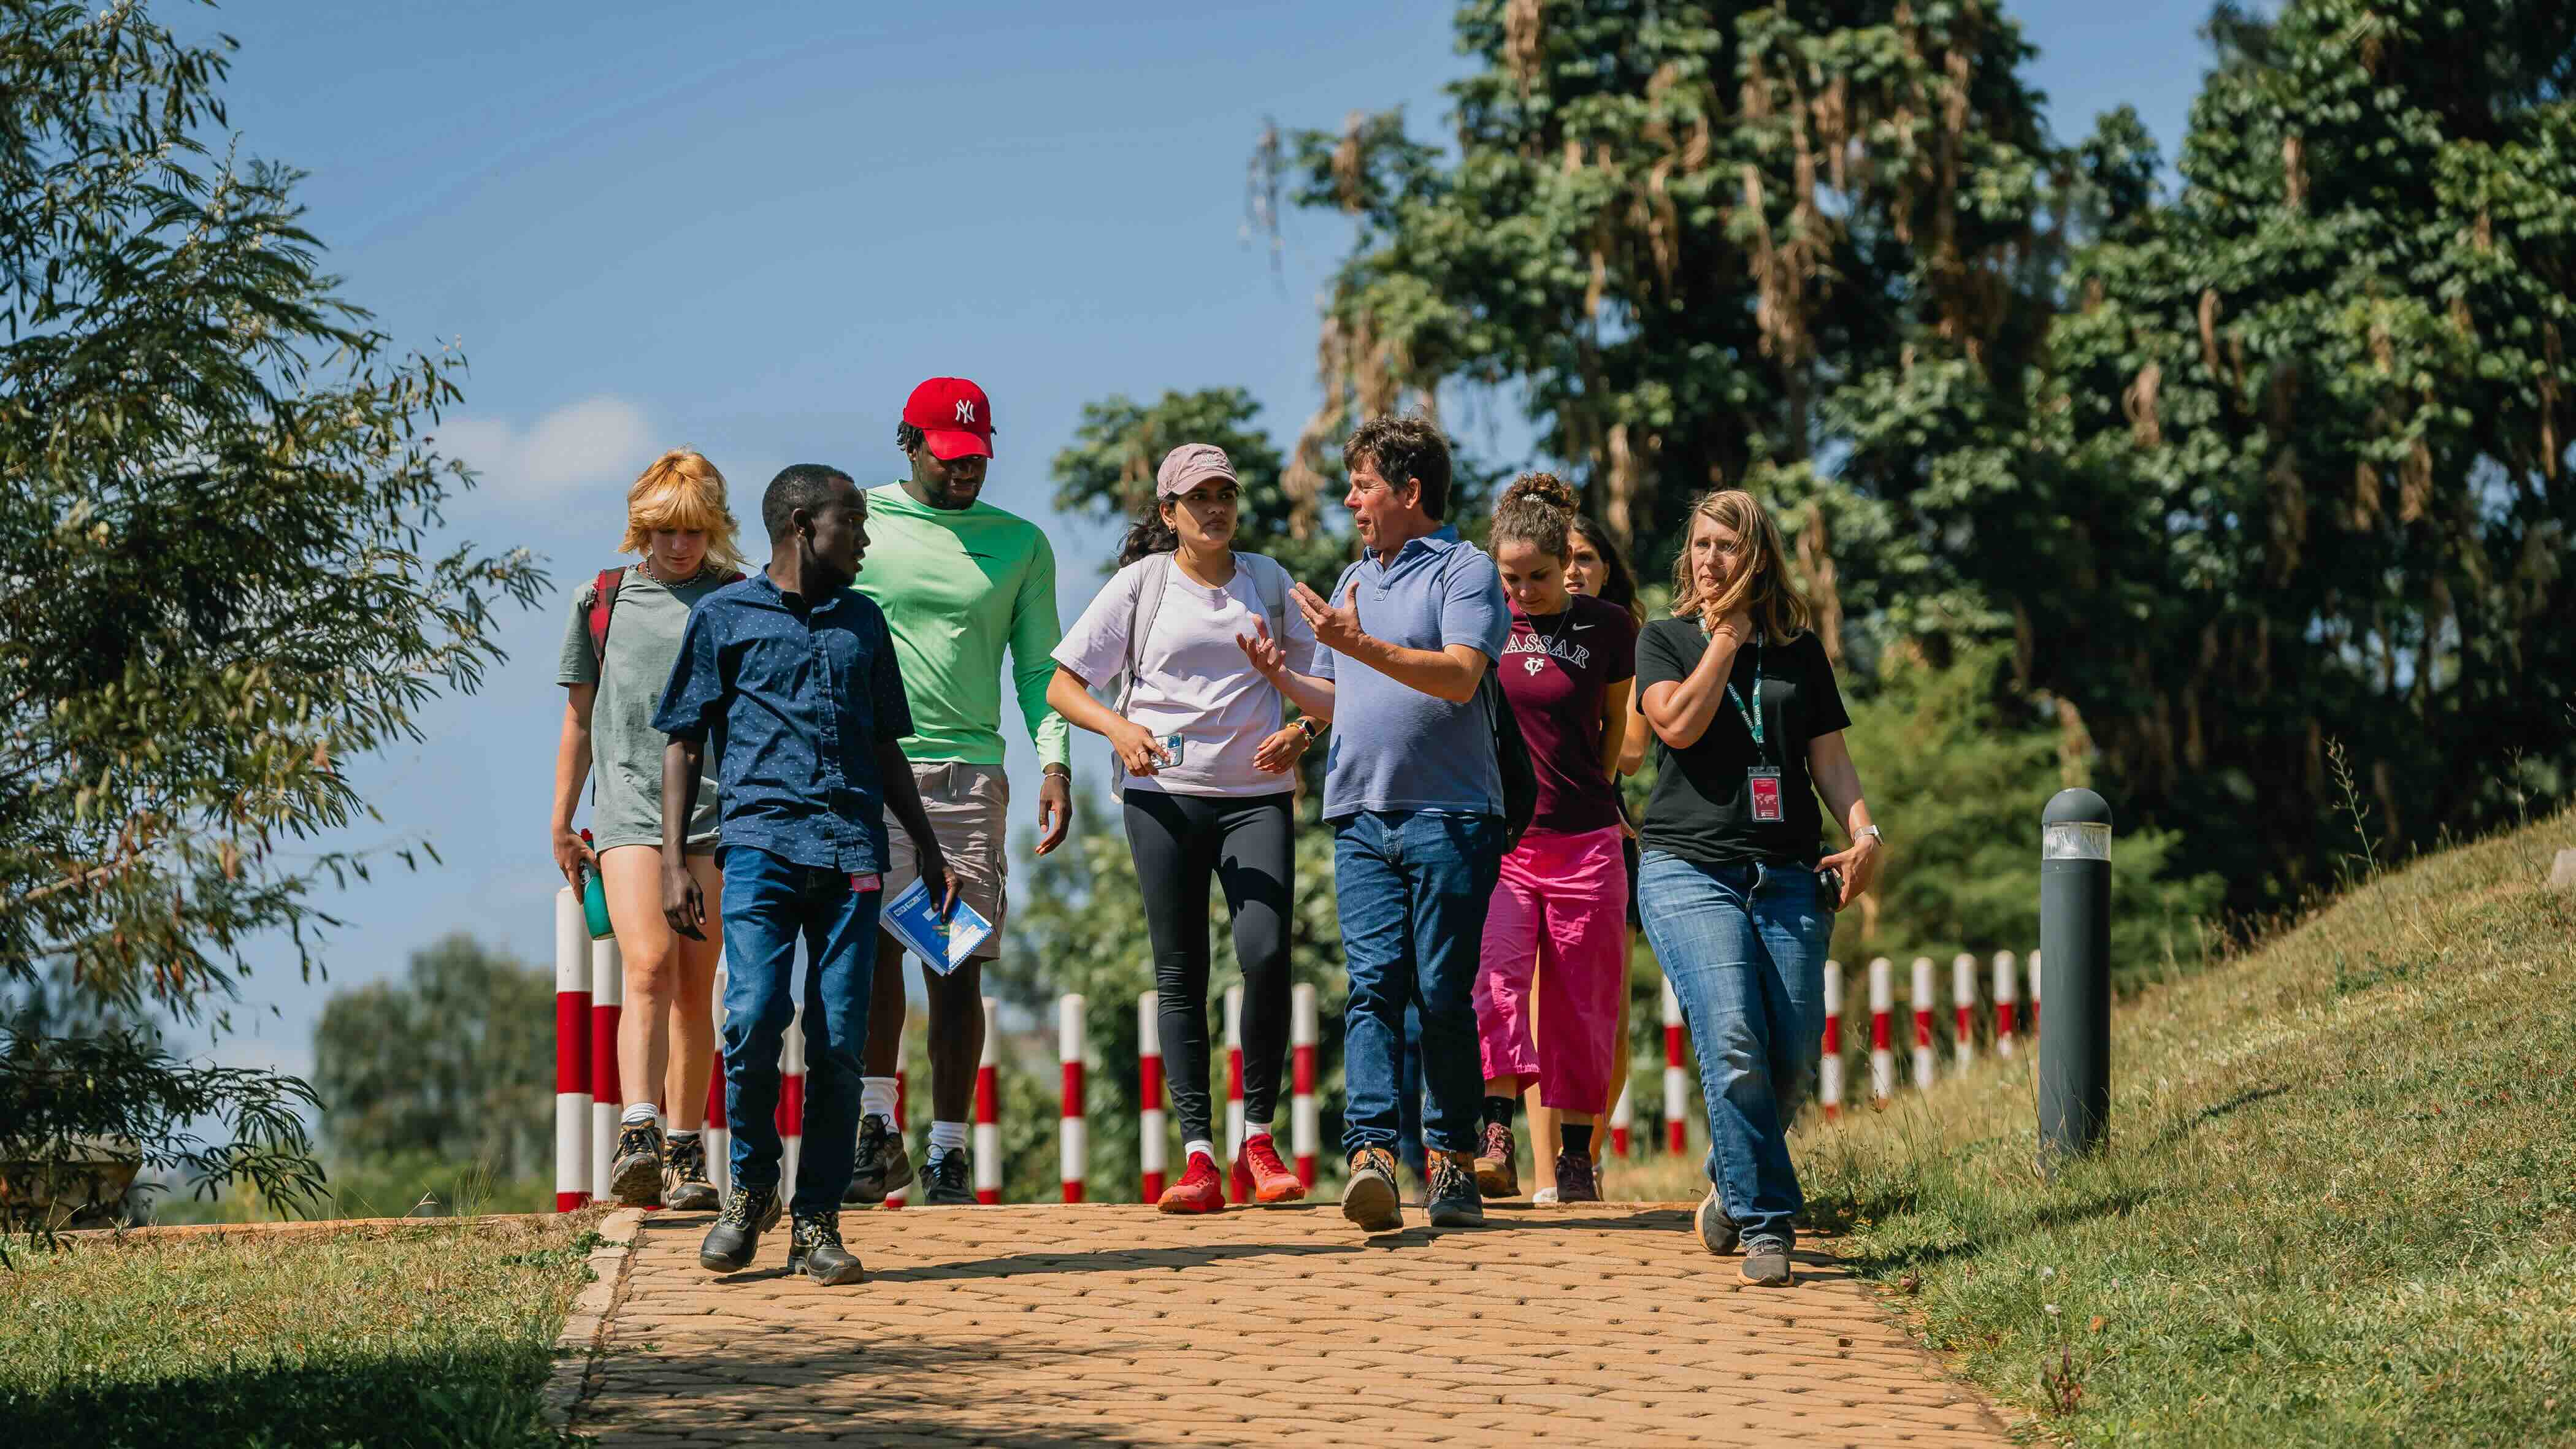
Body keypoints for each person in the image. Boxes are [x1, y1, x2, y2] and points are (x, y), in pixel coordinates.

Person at [653, 464, 956, 1286]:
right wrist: (677, 859)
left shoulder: (865, 622)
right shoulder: (724, 618)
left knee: (837, 1037)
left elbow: (886, 742)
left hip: (854, 853)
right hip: (757, 850)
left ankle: (816, 1217)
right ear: (800, 527)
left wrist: (927, 848)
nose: (863, 537)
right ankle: (750, 1191)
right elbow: (682, 738)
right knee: (752, 1016)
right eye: (850, 522)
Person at [1238, 415, 1510, 1234]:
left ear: (1410, 491)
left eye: (1363, 484)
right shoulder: (1351, 578)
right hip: (1359, 814)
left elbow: (1462, 678)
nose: (1351, 499)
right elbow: (1340, 696)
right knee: (1372, 988)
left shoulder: (1466, 571)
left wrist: (1357, 642)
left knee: (1439, 994)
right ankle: (1372, 1158)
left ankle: (1452, 1160)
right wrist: (1286, 673)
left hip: (1454, 816)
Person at [1046, 443, 1319, 1213]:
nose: (1215, 508)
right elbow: (1064, 685)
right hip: (1162, 795)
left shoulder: (1268, 580)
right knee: (1181, 971)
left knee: (1265, 954)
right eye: (1197, 497)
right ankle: (1199, 1156)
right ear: (1168, 514)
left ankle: (1258, 1140)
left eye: (1225, 493)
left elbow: (1329, 685)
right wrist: (1119, 730)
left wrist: (1302, 731)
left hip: (1256, 793)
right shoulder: (1141, 584)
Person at [1633, 488, 1884, 1288]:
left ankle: (1729, 1175)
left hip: (1785, 874)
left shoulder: (1799, 651)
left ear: (1758, 557)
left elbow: (1830, 760)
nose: (1710, 560)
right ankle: (1768, 1220)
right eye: (1701, 545)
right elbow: (1675, 724)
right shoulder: (1665, 639)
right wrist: (1724, 642)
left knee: (1790, 1058)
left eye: (1727, 547)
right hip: (1686, 869)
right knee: (1734, 1037)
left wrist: (1865, 831)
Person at [846, 377, 1072, 1207]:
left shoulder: (1020, 544)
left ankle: (947, 1150)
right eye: (948, 457)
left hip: (968, 774)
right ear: (909, 442)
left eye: (977, 457)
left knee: (955, 963)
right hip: (871, 769)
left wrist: (1055, 761)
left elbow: (1041, 665)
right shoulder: (859, 518)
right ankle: (877, 1132)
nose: (965, 471)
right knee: (872, 949)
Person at [549, 449, 745, 1211]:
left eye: (694, 530)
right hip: (629, 809)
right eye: (665, 531)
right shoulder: (600, 601)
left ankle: (686, 1150)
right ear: (641, 529)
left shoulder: (738, 598)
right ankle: (639, 1127)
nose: (679, 545)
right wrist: (563, 820)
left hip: (718, 815)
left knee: (700, 988)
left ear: (714, 530)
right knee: (651, 964)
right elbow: (578, 720)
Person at [1471, 475, 1636, 1206]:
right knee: (1496, 983)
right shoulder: (1480, 620)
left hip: (1587, 842)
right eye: (1512, 578)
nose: (1527, 590)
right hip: (1505, 845)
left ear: (1562, 560)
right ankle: (1496, 1134)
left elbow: (1611, 729)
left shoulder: (1610, 626)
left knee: (1580, 999)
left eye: (1539, 575)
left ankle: (1576, 1156)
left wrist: (1589, 796)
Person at [1527, 514, 1647, 1203]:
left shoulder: (1619, 636)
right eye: (1561, 558)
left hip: (1607, 836)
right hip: (1534, 839)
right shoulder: (1519, 631)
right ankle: (1548, 1174)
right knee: (1544, 1014)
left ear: (1607, 571)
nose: (1572, 569)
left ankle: (1587, 1156)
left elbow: (1630, 750)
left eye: (1586, 558)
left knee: (1605, 1014)